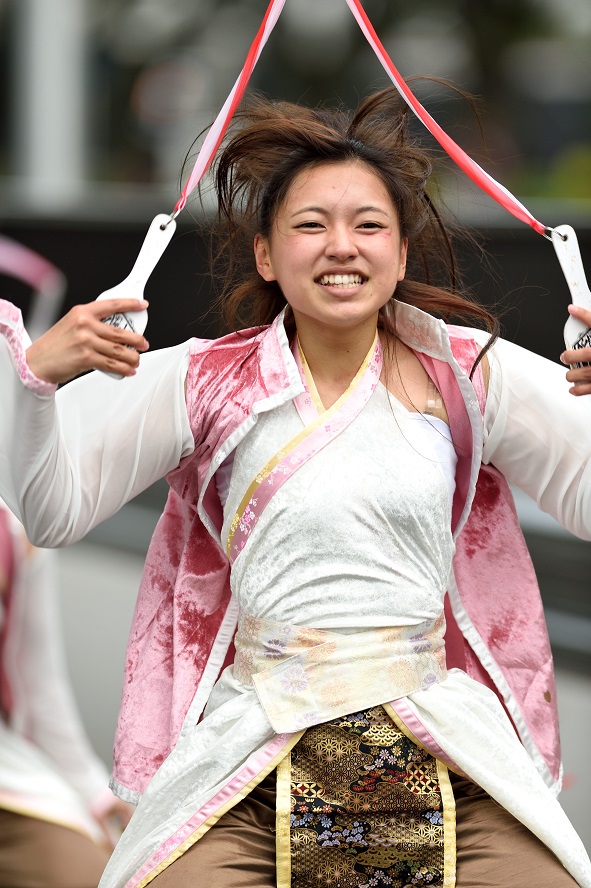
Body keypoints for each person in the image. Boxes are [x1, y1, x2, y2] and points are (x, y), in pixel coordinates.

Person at [0, 86, 590, 888]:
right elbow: (53, 513)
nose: (340, 246)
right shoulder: (201, 381)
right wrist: (36, 382)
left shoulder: (471, 373)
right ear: (266, 255)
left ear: (402, 252)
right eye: (311, 225)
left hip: (438, 729)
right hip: (257, 734)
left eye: (368, 225)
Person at [0, 501, 132, 888]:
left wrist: (93, 791)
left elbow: (35, 683)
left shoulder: (16, 527)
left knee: (89, 873)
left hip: (8, 778)